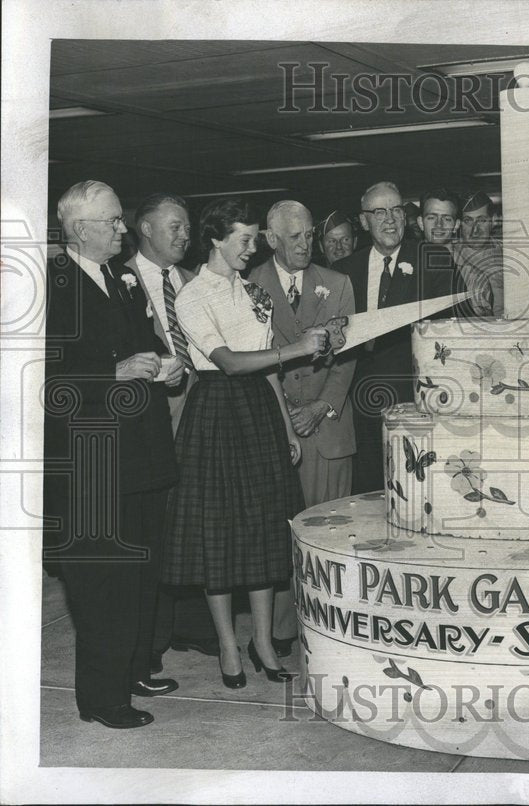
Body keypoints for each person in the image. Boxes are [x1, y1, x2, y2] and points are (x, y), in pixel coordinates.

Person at [161, 197, 335, 688]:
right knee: (220, 536)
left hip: (259, 409)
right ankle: (227, 645)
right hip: (217, 411)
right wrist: (298, 347)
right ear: (215, 240)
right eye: (244, 238)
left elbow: (267, 370)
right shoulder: (193, 296)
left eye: (255, 238)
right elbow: (231, 362)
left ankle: (262, 642)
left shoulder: (253, 291)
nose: (252, 247)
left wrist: (284, 429)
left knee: (262, 531)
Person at [44, 180, 180, 728]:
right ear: (81, 229)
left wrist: (168, 364)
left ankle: (135, 667)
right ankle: (102, 700)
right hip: (93, 462)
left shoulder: (121, 278)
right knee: (104, 583)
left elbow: (146, 341)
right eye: (114, 221)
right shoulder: (51, 285)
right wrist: (112, 374)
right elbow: (40, 381)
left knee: (144, 571)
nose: (123, 229)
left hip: (142, 453)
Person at [118, 191, 220, 676]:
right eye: (175, 227)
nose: (185, 235)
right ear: (146, 230)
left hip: (197, 417)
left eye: (187, 227)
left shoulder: (190, 280)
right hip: (155, 423)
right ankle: (151, 642)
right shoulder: (121, 281)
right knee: (157, 531)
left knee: (196, 524)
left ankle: (193, 626)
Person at [251, 200, 357, 657]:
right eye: (294, 237)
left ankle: (329, 634)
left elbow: (348, 354)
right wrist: (285, 417)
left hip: (327, 429)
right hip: (273, 427)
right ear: (271, 239)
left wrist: (320, 406)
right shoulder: (247, 283)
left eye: (309, 235)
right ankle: (279, 633)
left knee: (327, 541)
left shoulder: (337, 284)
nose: (304, 244)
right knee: (276, 535)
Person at [335, 181, 462, 494]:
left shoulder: (434, 259)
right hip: (362, 407)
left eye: (396, 211)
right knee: (369, 492)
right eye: (379, 212)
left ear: (406, 218)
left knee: (416, 489)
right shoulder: (343, 271)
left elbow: (450, 334)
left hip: (415, 400)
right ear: (364, 222)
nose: (390, 219)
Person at [453, 191, 504, 317]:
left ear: (492, 220)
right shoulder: (449, 257)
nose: (475, 230)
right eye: (468, 221)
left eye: (481, 220)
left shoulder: (508, 252)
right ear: (459, 224)